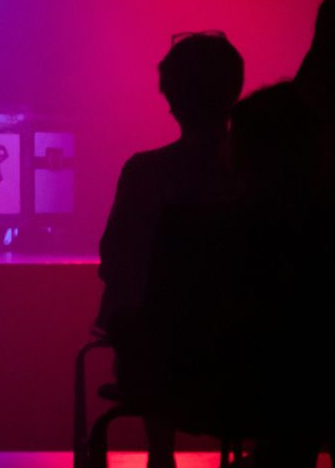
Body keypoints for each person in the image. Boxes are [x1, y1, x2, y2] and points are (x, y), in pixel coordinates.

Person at [95, 31, 244, 468]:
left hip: (154, 368)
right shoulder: (257, 174)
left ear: (174, 96)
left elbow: (115, 262)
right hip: (247, 365)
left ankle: (160, 454)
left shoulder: (145, 173)